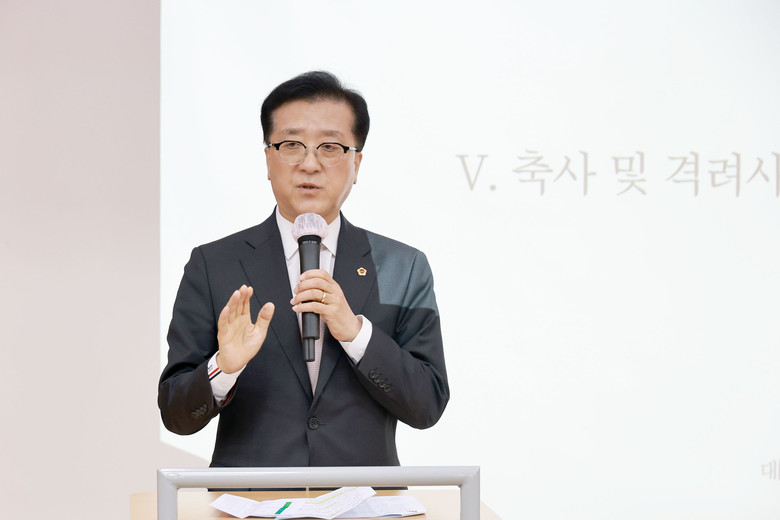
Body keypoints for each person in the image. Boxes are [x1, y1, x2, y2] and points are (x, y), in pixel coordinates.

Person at [158, 71, 449, 468]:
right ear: (268, 158)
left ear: (356, 163)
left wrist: (355, 333)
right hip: (248, 498)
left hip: (365, 497)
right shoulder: (213, 264)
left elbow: (427, 404)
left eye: (330, 147)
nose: (310, 164)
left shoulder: (402, 265)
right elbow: (176, 416)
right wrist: (223, 368)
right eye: (292, 145)